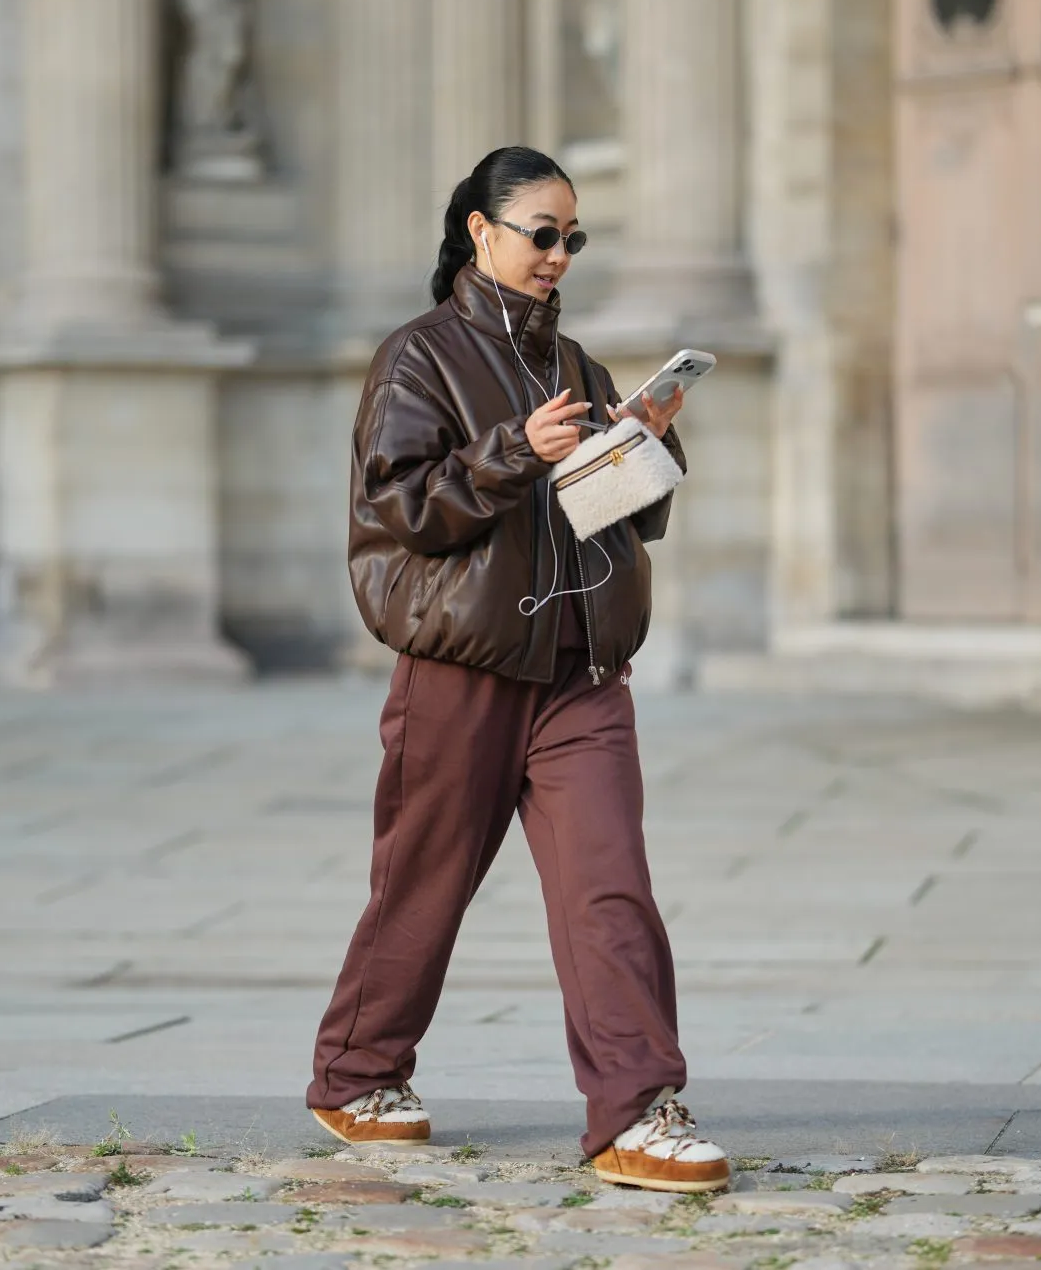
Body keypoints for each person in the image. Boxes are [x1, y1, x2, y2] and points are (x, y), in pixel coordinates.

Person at [304, 146, 729, 1193]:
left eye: (571, 238)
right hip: (464, 668)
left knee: (608, 888)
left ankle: (636, 1109)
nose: (558, 255)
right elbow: (396, 510)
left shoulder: (575, 365)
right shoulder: (415, 358)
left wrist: (641, 447)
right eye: (541, 233)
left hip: (582, 670)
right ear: (478, 233)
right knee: (423, 884)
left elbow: (607, 516)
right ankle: (354, 1074)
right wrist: (510, 451)